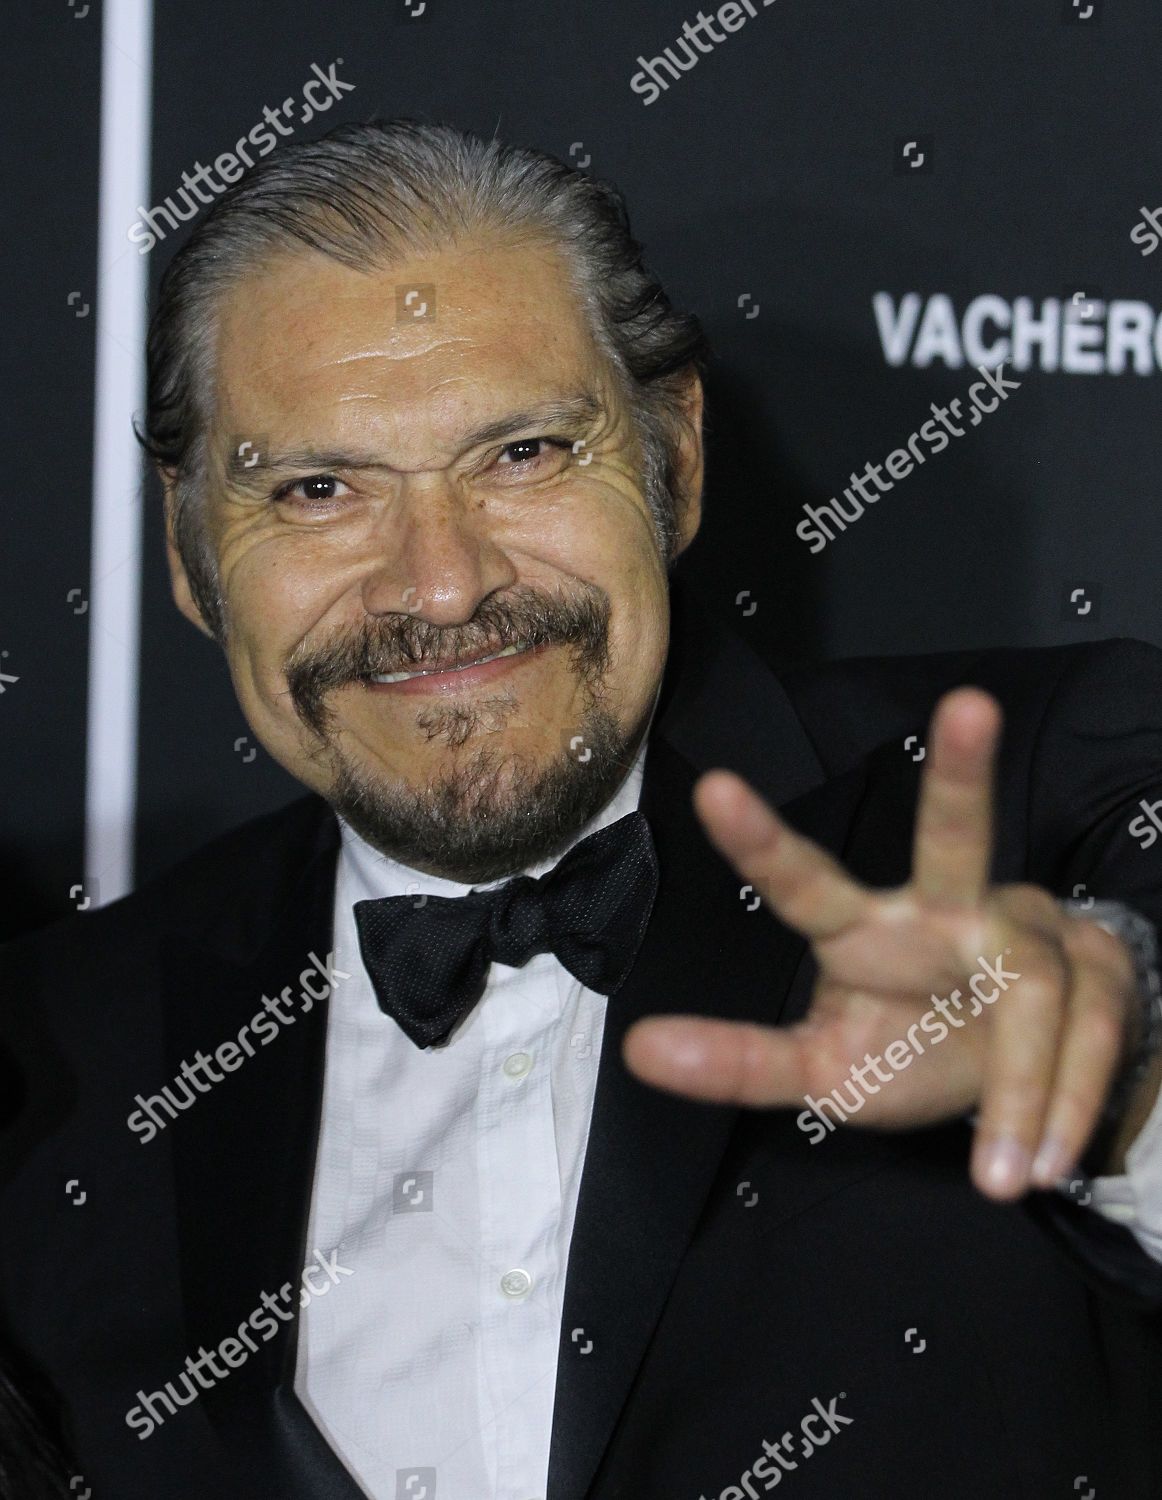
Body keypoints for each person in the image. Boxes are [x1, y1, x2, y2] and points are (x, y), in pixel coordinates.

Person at [3, 116, 1162, 1500]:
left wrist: (1119, 1075)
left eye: (523, 456)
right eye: (319, 489)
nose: (439, 586)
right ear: (190, 546)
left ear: (671, 448)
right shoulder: (51, 1052)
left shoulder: (1060, 780)